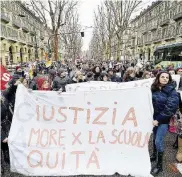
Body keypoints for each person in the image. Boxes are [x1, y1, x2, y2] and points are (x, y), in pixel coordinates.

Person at [150, 71, 179, 175]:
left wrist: (159, 119)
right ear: (158, 78)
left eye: (167, 77)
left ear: (169, 79)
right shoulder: (153, 88)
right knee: (154, 137)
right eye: (162, 77)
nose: (165, 79)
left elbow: (171, 107)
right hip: (152, 119)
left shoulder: (172, 91)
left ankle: (159, 165)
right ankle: (154, 155)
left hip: (163, 120)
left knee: (159, 140)